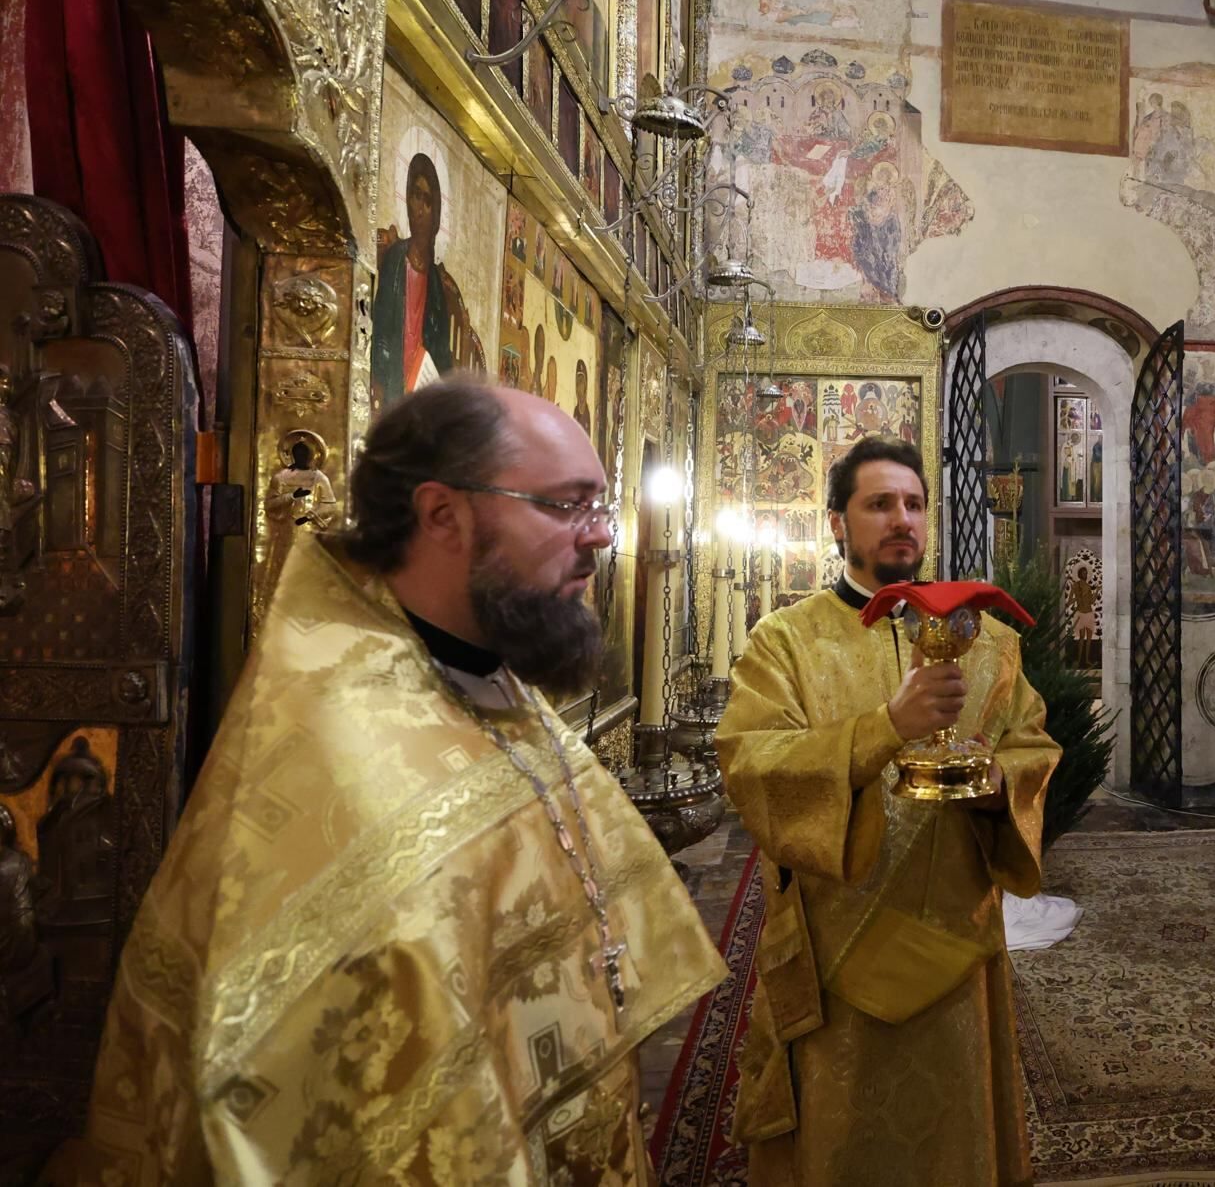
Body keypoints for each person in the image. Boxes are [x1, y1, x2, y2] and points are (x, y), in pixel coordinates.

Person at [47, 378, 724, 1185]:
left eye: (600, 505)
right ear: (443, 514)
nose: (604, 535)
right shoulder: (347, 747)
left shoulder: (488, 682)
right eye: (567, 506)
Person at [716, 435, 1059, 1186]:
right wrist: (885, 728)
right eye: (879, 504)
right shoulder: (786, 642)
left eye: (913, 504)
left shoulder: (989, 641)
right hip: (840, 945)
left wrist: (999, 782)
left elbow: (1032, 745)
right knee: (844, 1146)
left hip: (955, 943)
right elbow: (751, 763)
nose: (901, 519)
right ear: (838, 521)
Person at [370, 153, 475, 413]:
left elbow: (440, 349)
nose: (419, 208)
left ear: (436, 213)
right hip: (393, 376)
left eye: (427, 201)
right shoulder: (395, 259)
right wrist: (380, 377)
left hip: (423, 388)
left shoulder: (437, 283)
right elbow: (381, 326)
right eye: (415, 195)